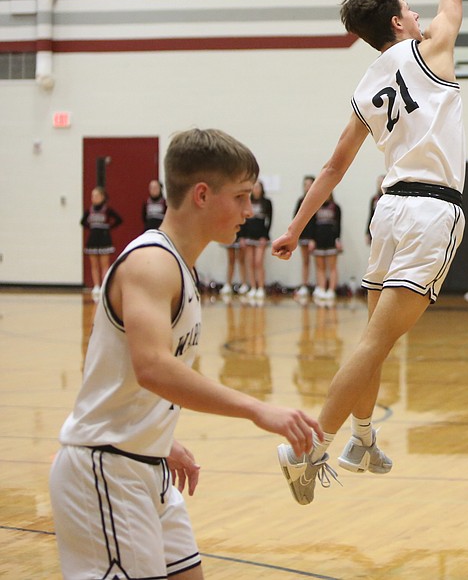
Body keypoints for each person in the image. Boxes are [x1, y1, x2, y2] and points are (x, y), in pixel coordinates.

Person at [270, 0, 468, 505]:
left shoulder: (368, 85)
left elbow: (333, 166)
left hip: (388, 210)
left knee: (375, 335)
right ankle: (306, 446)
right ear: (399, 22)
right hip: (431, 211)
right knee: (377, 341)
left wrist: (294, 225)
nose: (422, 11)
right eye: (410, 7)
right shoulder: (433, 50)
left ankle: (363, 437)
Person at [49, 128, 320, 580]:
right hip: (107, 471)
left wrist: (156, 436)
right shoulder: (152, 264)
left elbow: (116, 371)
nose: (249, 211)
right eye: (240, 197)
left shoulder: (179, 263)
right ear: (201, 195)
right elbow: (153, 367)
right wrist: (257, 409)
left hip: (144, 462)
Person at [81, 186, 123, 301]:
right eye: (92, 196)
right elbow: (82, 221)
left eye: (96, 195)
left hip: (104, 238)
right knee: (94, 264)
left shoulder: (107, 209)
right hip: (93, 238)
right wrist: (91, 227)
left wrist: (108, 227)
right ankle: (96, 286)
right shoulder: (89, 209)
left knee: (104, 264)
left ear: (102, 197)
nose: (93, 198)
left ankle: (104, 285)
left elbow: (119, 219)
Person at [238, 180, 272, 302]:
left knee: (258, 262)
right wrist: (241, 236)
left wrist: (265, 236)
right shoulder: (247, 202)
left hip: (261, 236)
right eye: (254, 187)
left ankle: (261, 287)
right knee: (250, 262)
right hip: (248, 236)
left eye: (258, 187)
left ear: (262, 189)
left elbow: (269, 221)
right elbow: (243, 219)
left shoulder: (267, 202)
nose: (256, 189)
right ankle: (252, 287)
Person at [311, 193, 342, 303]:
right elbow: (312, 224)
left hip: (331, 239)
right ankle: (322, 288)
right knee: (320, 267)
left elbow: (339, 225)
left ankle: (331, 290)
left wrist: (338, 239)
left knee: (332, 266)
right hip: (318, 239)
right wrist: (312, 239)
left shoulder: (336, 207)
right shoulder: (315, 206)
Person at [293, 175, 318, 299]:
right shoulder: (300, 201)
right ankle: (304, 285)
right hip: (303, 235)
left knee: (318, 263)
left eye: (310, 184)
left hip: (314, 237)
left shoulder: (318, 199)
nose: (307, 187)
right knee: (305, 261)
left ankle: (319, 286)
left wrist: (314, 238)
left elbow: (317, 222)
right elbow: (295, 218)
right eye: (305, 185)